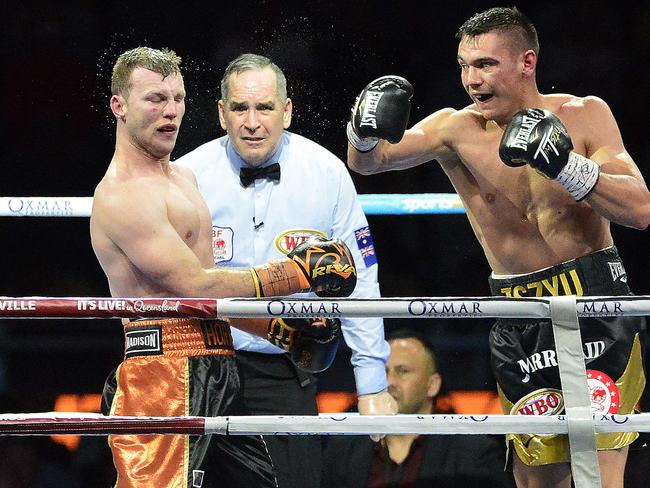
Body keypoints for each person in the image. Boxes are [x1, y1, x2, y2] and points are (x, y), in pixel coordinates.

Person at [346, 7, 649, 488]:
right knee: (536, 479)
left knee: (599, 474)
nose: (470, 79)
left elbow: (639, 209)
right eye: (464, 65)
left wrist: (566, 166)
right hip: (519, 312)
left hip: (595, 301)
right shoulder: (454, 130)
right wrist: (361, 131)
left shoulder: (584, 113)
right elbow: (371, 162)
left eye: (485, 64)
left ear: (526, 62)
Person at [90, 46, 357, 488]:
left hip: (218, 361)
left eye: (177, 98)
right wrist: (296, 274)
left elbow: (209, 303)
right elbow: (194, 284)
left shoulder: (183, 179)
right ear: (119, 106)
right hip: (163, 374)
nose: (170, 111)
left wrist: (275, 330)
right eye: (155, 99)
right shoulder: (122, 195)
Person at [175, 52, 395, 488]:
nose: (252, 122)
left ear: (287, 111)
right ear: (222, 113)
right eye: (240, 108)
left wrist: (371, 382)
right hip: (204, 363)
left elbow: (361, 278)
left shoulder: (327, 173)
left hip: (285, 365)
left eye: (265, 107)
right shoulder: (187, 175)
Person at [322, 327, 514, 487]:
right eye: (383, 371)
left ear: (432, 385)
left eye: (403, 371)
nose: (389, 381)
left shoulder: (475, 453)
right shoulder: (341, 450)